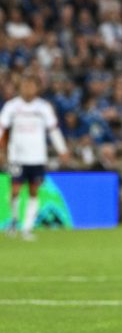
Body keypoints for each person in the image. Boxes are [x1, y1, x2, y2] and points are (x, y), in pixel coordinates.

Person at [0, 74, 69, 240]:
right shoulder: (11, 106)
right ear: (20, 87)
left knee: (33, 191)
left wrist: (62, 149)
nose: (28, 88)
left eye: (31, 85)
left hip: (37, 157)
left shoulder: (43, 107)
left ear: (37, 88)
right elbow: (2, 127)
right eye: (25, 85)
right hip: (17, 157)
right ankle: (14, 221)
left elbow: (53, 130)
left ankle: (27, 228)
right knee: (15, 190)